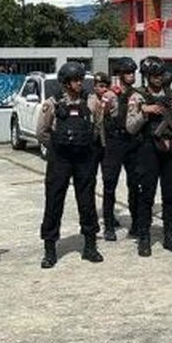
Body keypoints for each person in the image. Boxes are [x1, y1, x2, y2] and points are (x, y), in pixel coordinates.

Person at [39, 61, 105, 268]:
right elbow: (42, 132)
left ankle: (90, 245)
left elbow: (98, 125)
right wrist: (59, 146)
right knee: (54, 200)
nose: (79, 83)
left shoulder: (92, 101)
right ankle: (50, 249)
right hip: (60, 158)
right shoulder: (53, 103)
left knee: (86, 200)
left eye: (80, 79)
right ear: (65, 83)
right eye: (75, 80)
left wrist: (85, 144)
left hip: (84, 157)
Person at [127, 58, 172, 256]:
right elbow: (130, 127)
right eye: (154, 76)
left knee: (171, 194)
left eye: (160, 75)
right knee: (147, 195)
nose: (158, 79)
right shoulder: (138, 97)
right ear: (146, 77)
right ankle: (144, 237)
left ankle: (169, 234)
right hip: (148, 149)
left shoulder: (171, 96)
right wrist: (145, 113)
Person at [101, 58, 141, 242]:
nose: (131, 76)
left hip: (132, 142)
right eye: (127, 73)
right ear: (119, 75)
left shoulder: (137, 95)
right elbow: (100, 122)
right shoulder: (109, 96)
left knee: (135, 184)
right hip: (114, 142)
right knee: (109, 185)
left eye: (133, 72)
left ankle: (136, 224)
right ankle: (109, 225)